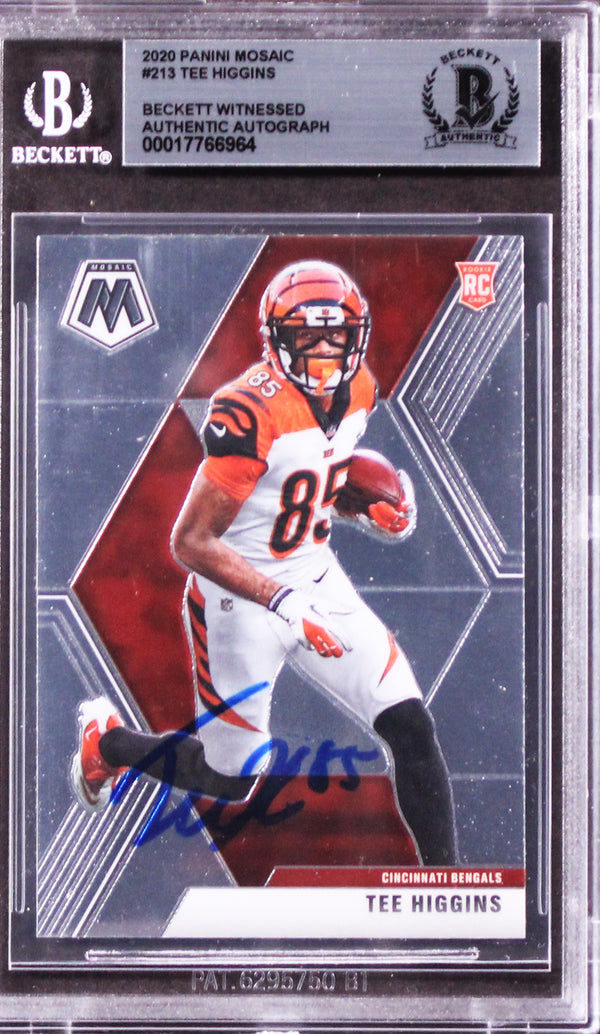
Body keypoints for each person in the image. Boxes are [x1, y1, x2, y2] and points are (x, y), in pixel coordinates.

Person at [71, 260, 458, 865]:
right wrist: (282, 602)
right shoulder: (250, 410)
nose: (326, 352)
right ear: (278, 341)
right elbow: (190, 541)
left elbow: (306, 483)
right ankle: (109, 745)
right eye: (309, 337)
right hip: (238, 601)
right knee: (229, 780)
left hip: (313, 575)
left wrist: (361, 505)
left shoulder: (360, 391)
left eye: (337, 336)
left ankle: (449, 889)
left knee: (411, 726)